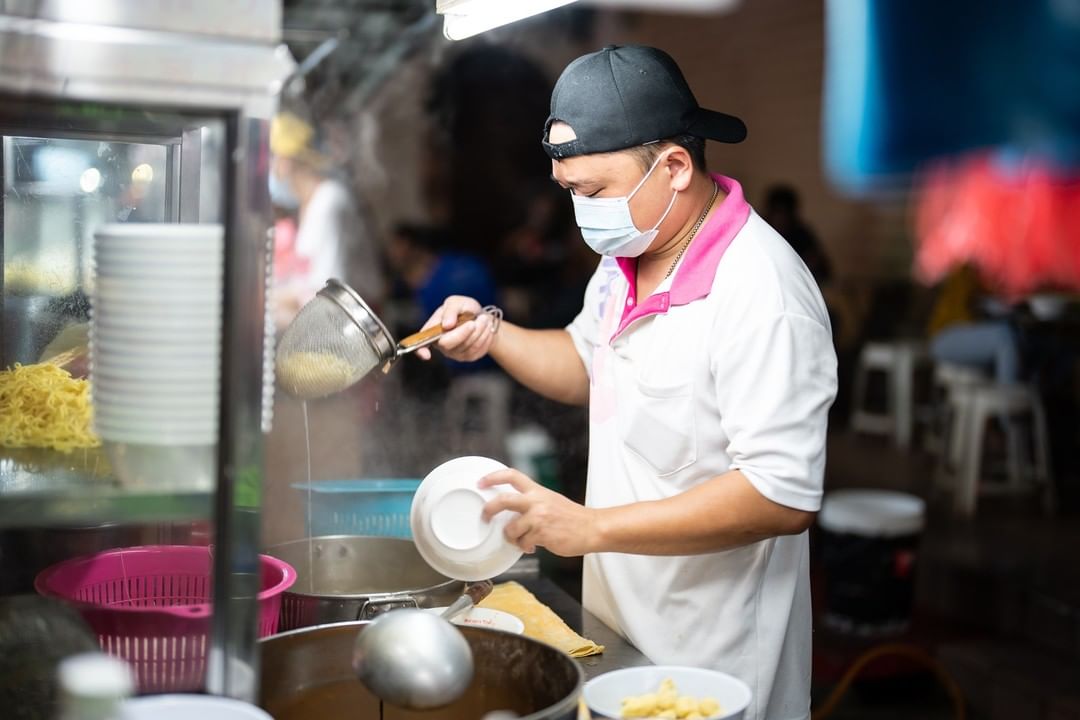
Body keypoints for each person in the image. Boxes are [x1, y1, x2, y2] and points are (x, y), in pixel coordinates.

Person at [419, 46, 838, 720]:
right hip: (621, 636)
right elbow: (590, 363)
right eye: (570, 191)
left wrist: (588, 527)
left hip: (715, 666)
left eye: (594, 191)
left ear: (673, 166)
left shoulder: (761, 292)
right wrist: (493, 334)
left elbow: (780, 495)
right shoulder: (628, 256)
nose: (582, 212)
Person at [268, 111, 384, 328]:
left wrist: (268, 301)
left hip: (352, 337)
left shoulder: (329, 202)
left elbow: (325, 290)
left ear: (285, 162)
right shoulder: (305, 207)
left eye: (272, 161)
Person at [762, 184, 833, 286]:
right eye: (777, 212)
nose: (780, 219)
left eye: (785, 213)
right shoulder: (761, 234)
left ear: (792, 214)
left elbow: (824, 272)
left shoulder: (802, 236)